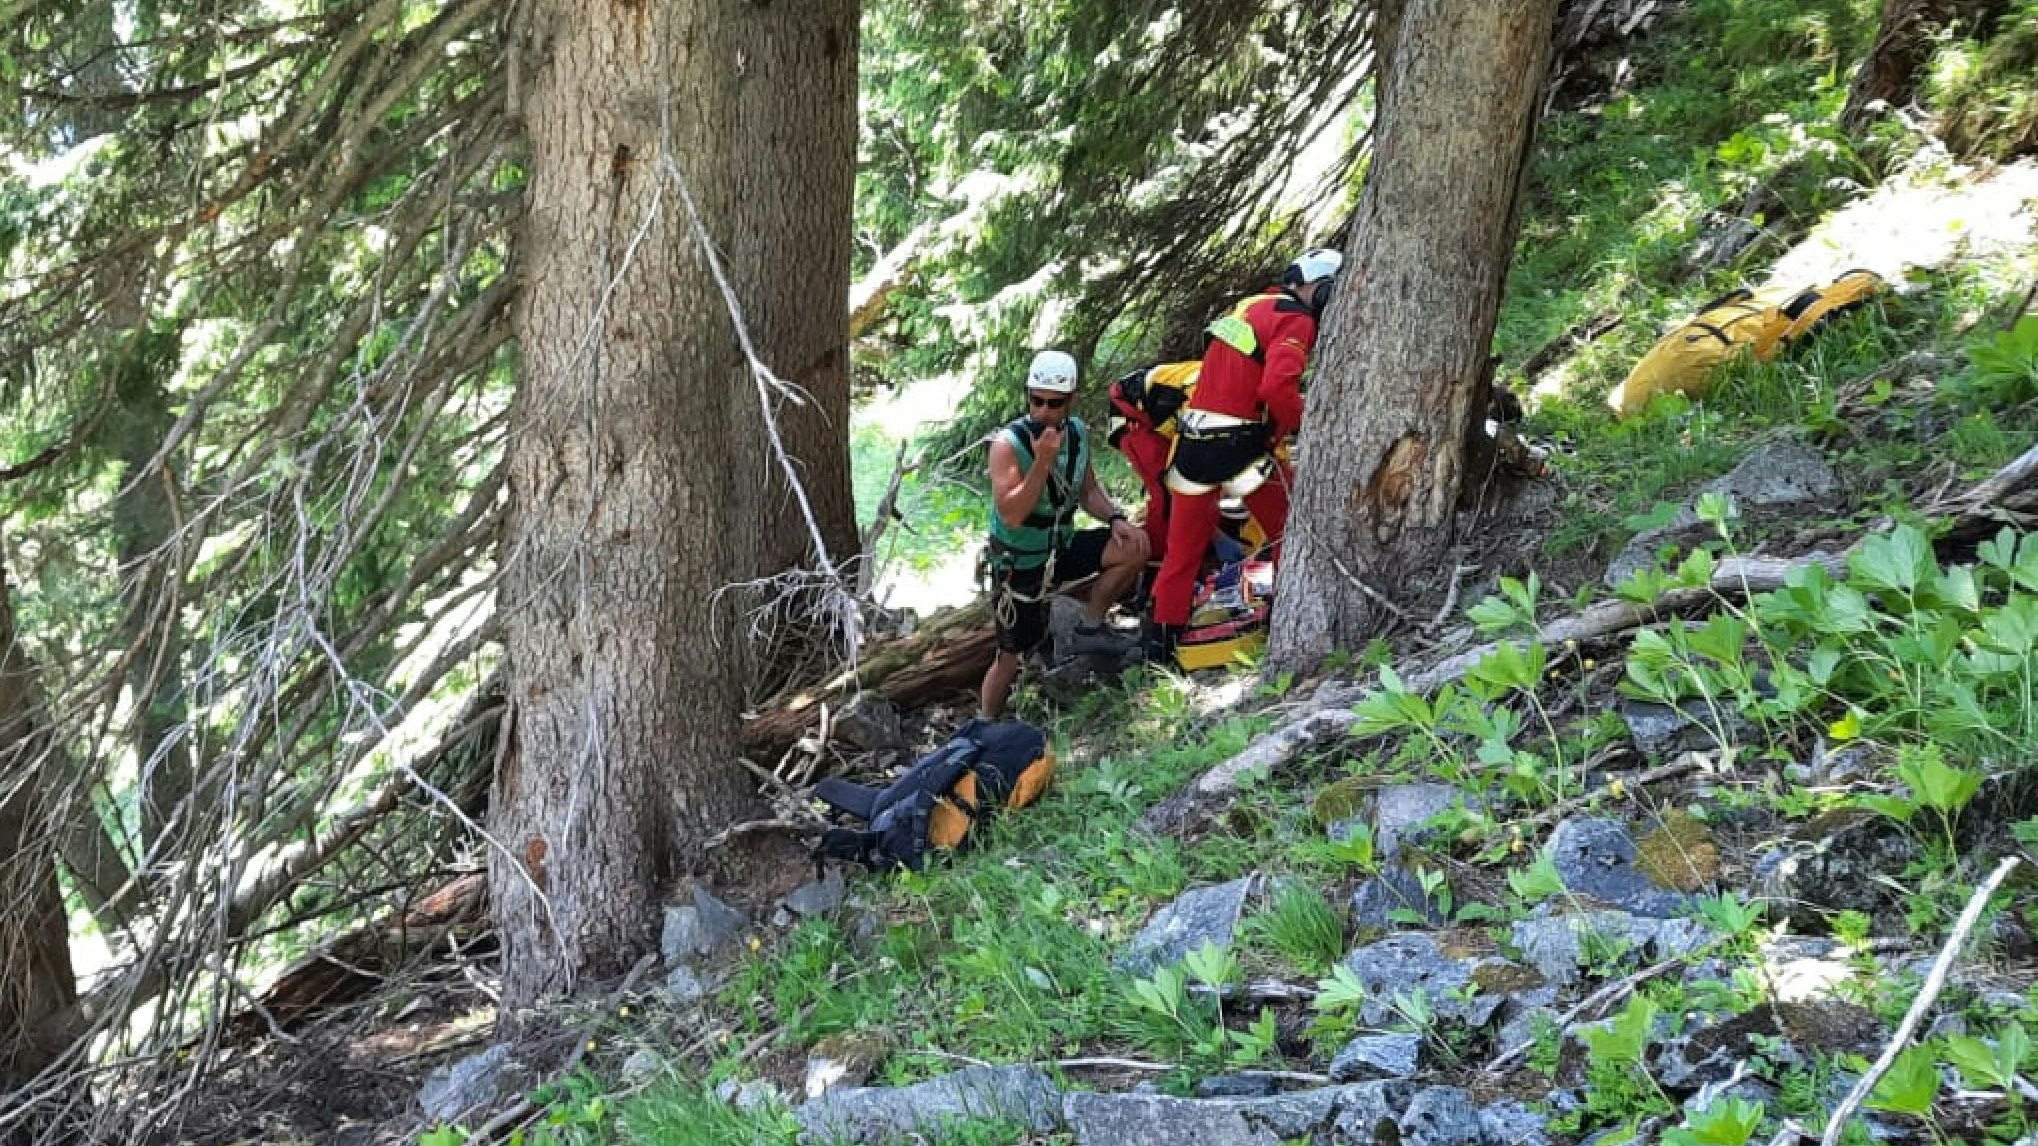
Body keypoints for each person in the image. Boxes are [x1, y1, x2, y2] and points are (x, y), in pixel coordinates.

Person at [1148, 247, 1343, 657]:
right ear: (1321, 289)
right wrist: (1311, 423)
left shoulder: (1251, 305)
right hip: (1239, 446)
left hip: (1193, 444)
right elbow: (1276, 389)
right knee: (1293, 528)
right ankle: (1292, 618)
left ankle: (1160, 647)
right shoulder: (1296, 318)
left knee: (1181, 555)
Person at [980, 349, 1150, 719]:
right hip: (1020, 561)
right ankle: (986, 720)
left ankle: (1090, 626)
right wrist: (1042, 462)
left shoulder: (1076, 434)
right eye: (1036, 401)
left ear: (1070, 401)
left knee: (1135, 548)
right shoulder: (1007, 445)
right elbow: (1012, 514)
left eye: (1054, 403)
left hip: (1060, 545)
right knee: (1010, 656)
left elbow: (1088, 491)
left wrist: (1116, 519)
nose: (1044, 411)